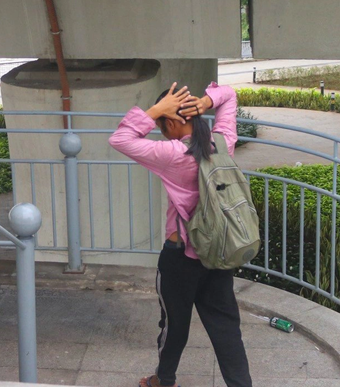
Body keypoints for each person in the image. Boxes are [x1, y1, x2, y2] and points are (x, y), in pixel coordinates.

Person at [108, 81, 252, 387]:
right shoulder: (223, 142)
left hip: (181, 257)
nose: (162, 132)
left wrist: (156, 109)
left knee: (174, 324)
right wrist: (206, 101)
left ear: (172, 121)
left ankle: (165, 379)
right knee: (226, 328)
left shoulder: (173, 153)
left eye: (163, 125)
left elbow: (120, 139)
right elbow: (229, 96)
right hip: (220, 252)